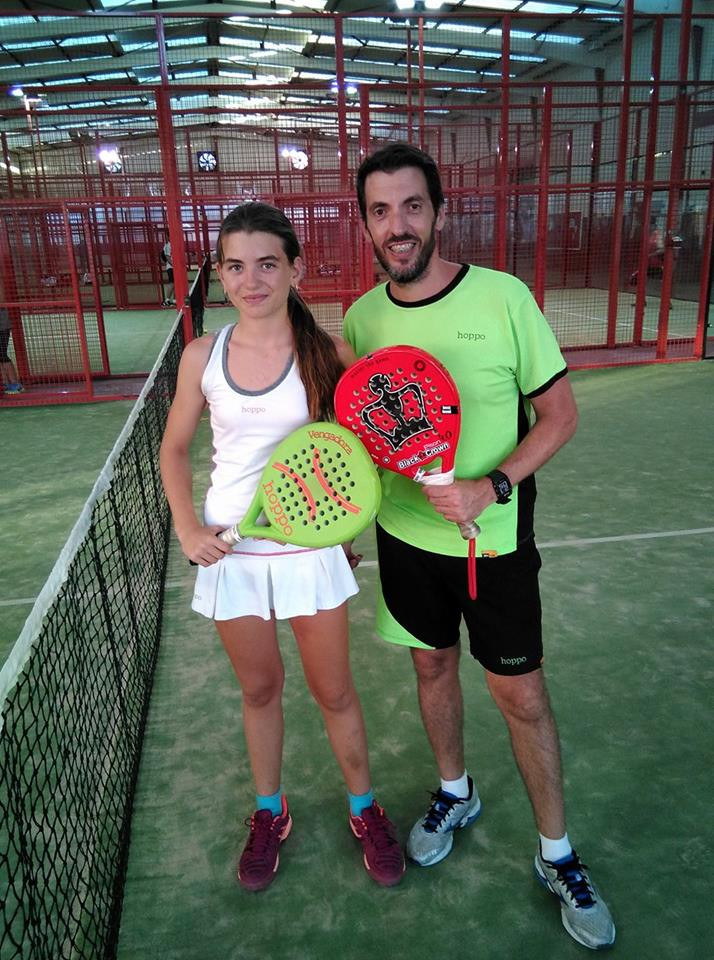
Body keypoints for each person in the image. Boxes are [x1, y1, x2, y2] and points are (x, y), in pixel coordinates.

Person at [343, 143, 615, 950]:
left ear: (438, 211)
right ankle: (455, 791)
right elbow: (369, 436)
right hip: (404, 538)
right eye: (381, 211)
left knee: (521, 695)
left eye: (412, 206)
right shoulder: (362, 319)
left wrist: (490, 487)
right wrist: (348, 528)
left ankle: (557, 854)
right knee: (431, 667)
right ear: (366, 224)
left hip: (492, 542)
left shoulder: (504, 298)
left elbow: (560, 417)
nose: (398, 225)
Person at [159, 202, 404, 893]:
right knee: (260, 689)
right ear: (220, 274)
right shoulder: (202, 357)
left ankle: (365, 808)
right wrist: (188, 528)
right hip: (231, 554)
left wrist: (340, 531)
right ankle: (270, 812)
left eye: (267, 264)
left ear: (295, 269)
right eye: (236, 266)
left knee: (334, 691)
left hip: (308, 552)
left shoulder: (329, 354)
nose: (252, 280)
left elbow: (364, 453)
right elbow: (173, 450)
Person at [0, 307, 23, 395]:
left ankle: (15, 383)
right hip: (3, 325)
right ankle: (5, 383)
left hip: (2, 327)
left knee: (2, 354)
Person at [160, 238, 175, 305]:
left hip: (176, 268)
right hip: (171, 267)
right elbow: (167, 257)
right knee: (172, 283)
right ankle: (167, 300)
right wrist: (173, 265)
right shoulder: (167, 245)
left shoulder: (175, 244)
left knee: (176, 284)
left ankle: (175, 300)